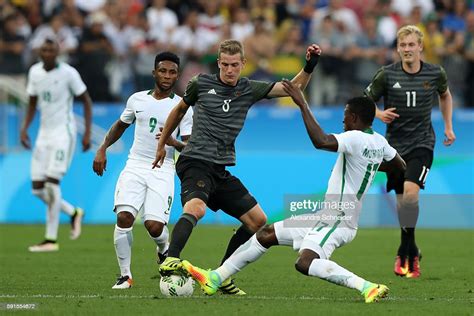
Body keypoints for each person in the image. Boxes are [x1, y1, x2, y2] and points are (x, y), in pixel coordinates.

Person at [181, 81, 406, 303]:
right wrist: (370, 164)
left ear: (355, 118)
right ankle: (215, 277)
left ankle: (367, 287)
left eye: (346, 115)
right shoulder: (380, 142)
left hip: (338, 219)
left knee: (305, 262)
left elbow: (321, 141)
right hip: (328, 215)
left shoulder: (354, 137)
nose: (343, 119)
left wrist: (302, 104)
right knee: (266, 234)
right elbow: (400, 166)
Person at [152, 39, 321, 295]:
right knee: (196, 209)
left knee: (258, 221)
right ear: (218, 63)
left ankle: (220, 275)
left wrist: (309, 65)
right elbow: (178, 111)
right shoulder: (200, 83)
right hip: (195, 160)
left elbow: (293, 88)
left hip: (220, 168)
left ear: (243, 64)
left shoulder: (248, 88)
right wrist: (162, 144)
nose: (229, 70)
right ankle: (170, 259)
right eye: (224, 65)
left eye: (234, 65)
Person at [93, 52, 193, 289]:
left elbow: (190, 146)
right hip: (135, 165)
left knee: (154, 226)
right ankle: (125, 275)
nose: (167, 76)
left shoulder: (183, 107)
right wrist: (102, 148)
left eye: (172, 72)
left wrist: (173, 142)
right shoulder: (137, 100)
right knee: (124, 217)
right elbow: (120, 126)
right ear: (154, 73)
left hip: (163, 168)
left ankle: (163, 249)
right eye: (163, 71)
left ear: (177, 75)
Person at [364, 25, 456, 278]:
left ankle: (405, 254)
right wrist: (378, 113)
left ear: (420, 47)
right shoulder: (386, 74)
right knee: (403, 202)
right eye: (402, 45)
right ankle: (411, 249)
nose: (407, 49)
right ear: (397, 48)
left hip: (423, 143)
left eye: (411, 45)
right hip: (394, 149)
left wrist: (448, 126)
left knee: (412, 196)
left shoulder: (435, 73)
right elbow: (364, 102)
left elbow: (445, 96)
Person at [21, 38, 92, 252]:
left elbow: (86, 100)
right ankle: (73, 213)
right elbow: (32, 102)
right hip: (44, 134)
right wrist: (24, 128)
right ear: (40, 52)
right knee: (37, 190)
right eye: (44, 49)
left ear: (58, 52)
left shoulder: (68, 73)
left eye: (52, 49)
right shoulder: (34, 72)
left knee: (52, 184)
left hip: (64, 133)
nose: (48, 52)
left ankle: (50, 239)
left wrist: (87, 132)